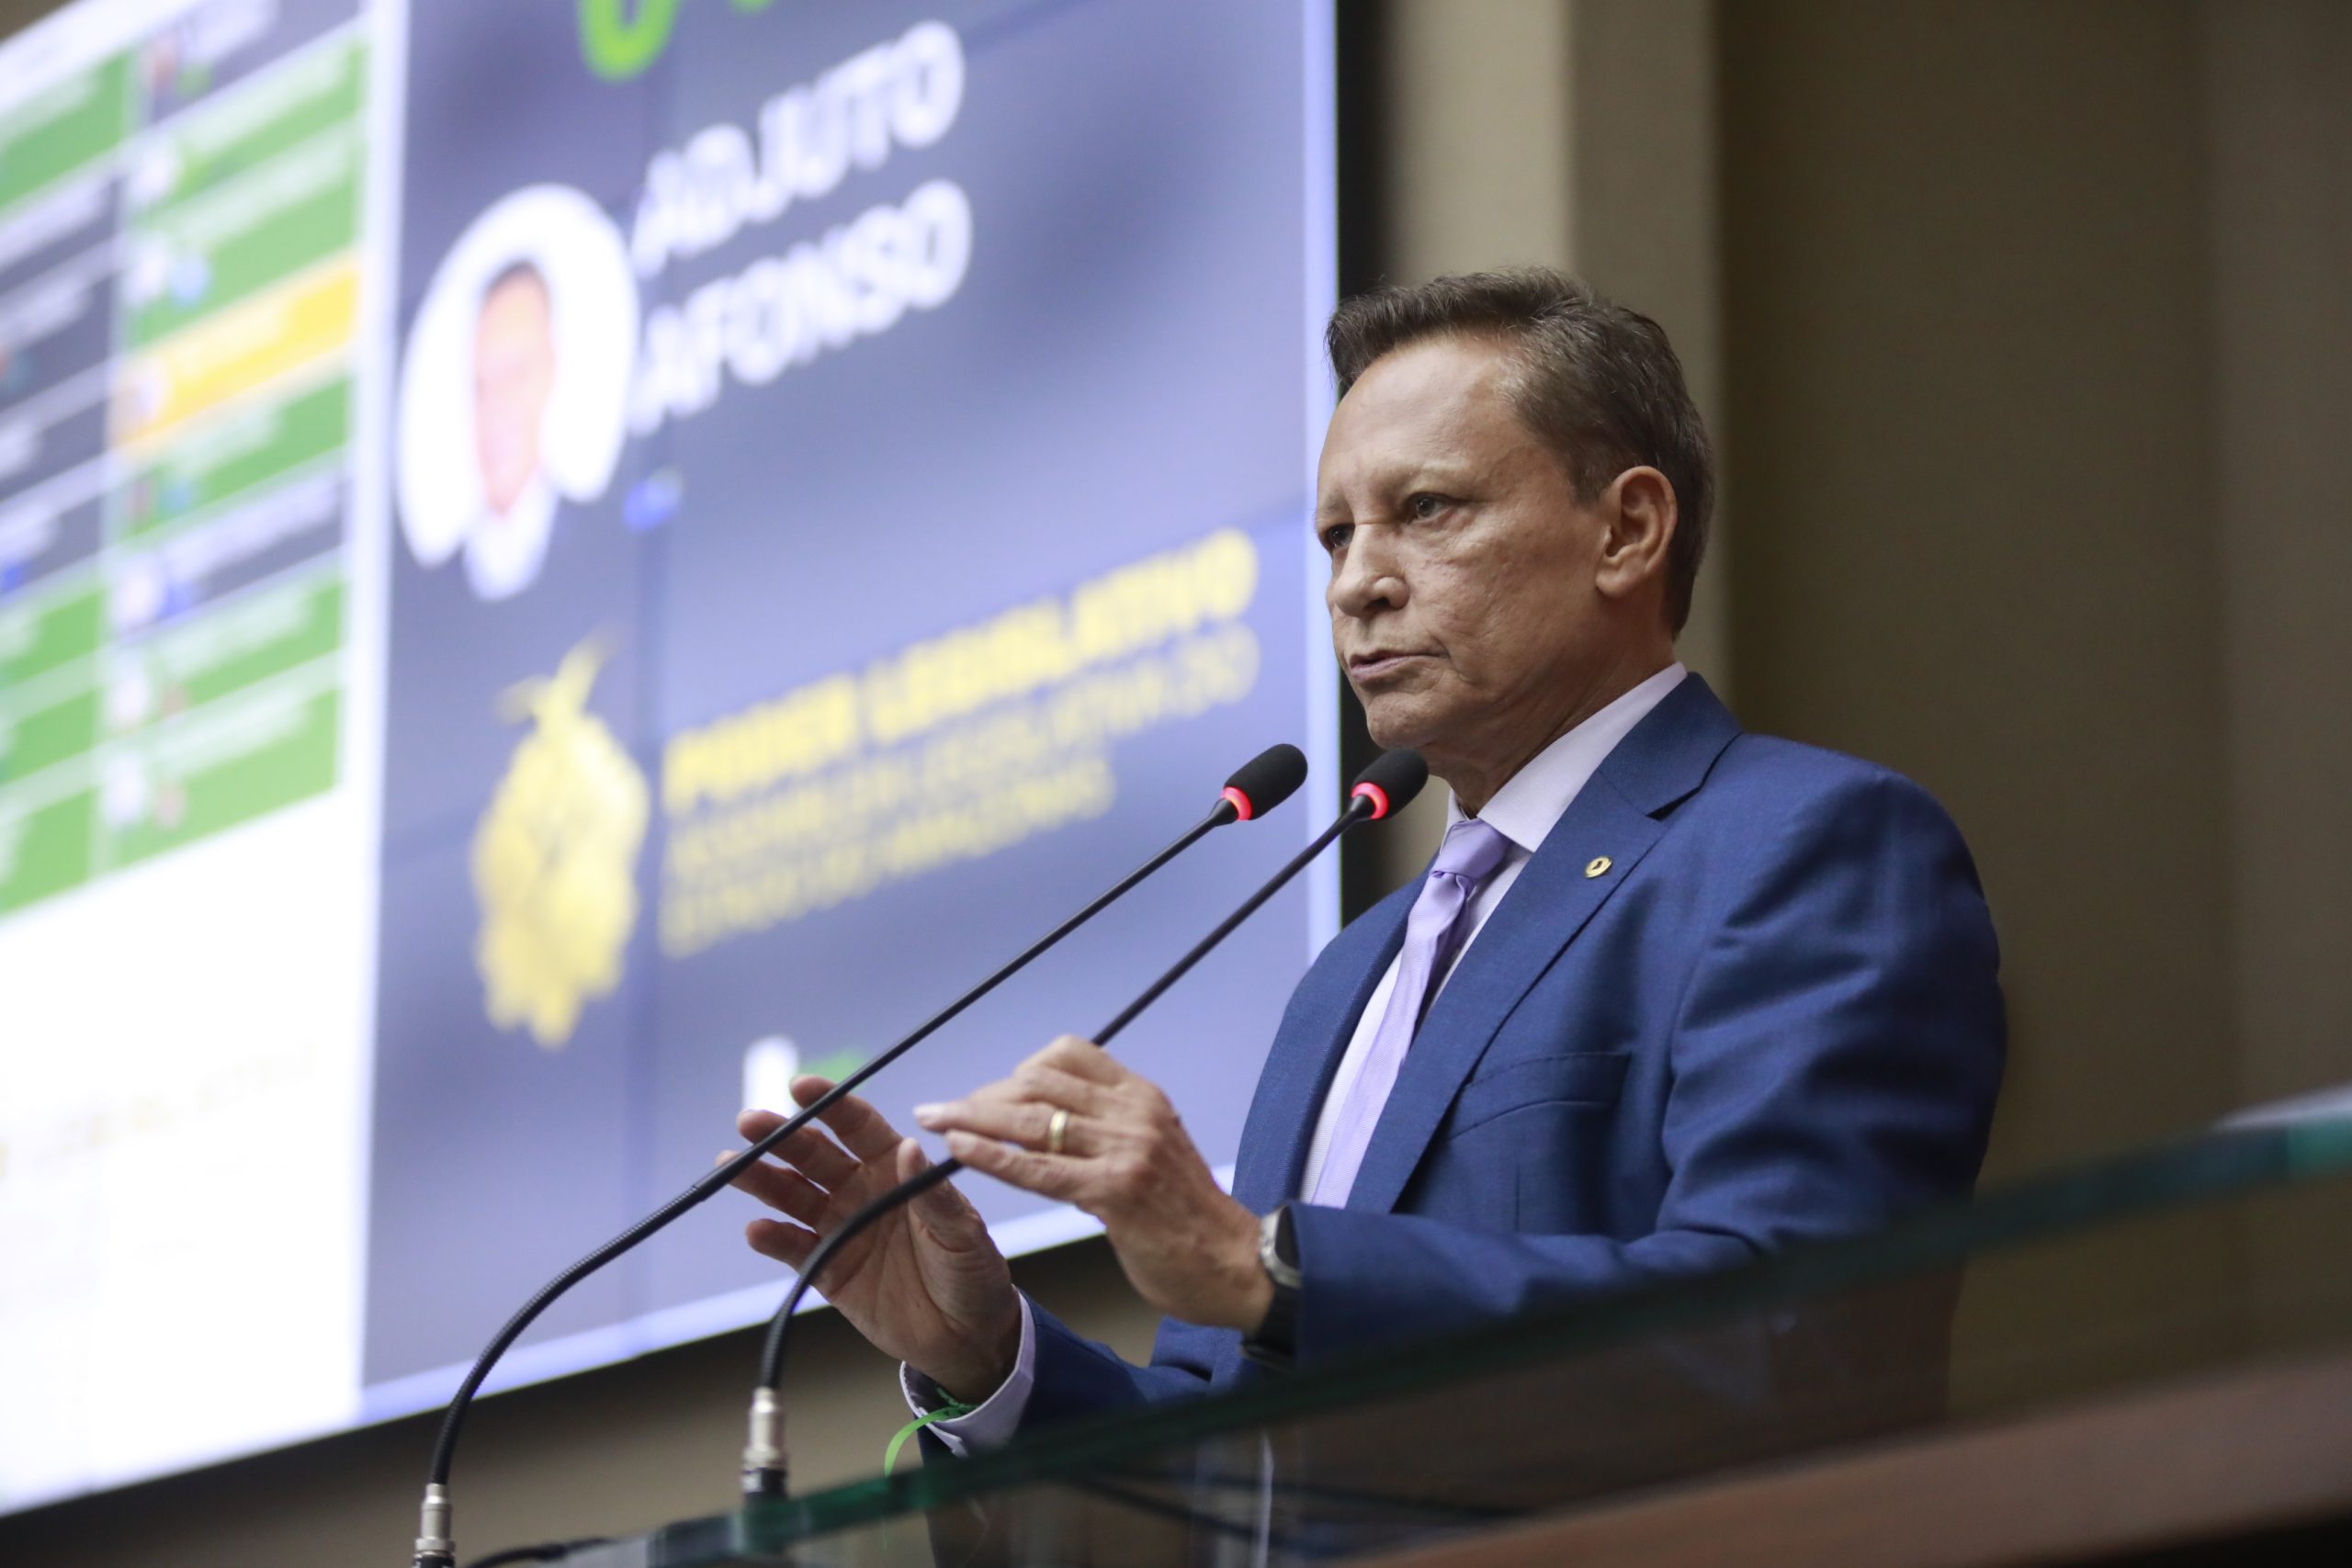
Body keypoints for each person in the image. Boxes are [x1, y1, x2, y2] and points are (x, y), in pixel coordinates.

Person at [728, 268, 2006, 1446]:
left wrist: (1268, 1271)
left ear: (1626, 529)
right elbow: (1219, 1473)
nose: (1355, 585)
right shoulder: (1345, 977)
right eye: (1337, 535)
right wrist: (989, 1357)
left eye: (1424, 510)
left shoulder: (1803, 845)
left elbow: (1803, 1342)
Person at [464, 259, 562, 601]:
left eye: (515, 374)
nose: (497, 406)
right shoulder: (422, 591)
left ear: (550, 371)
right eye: (482, 385)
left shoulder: (607, 536)